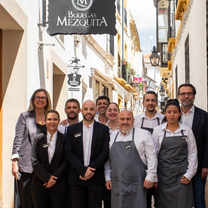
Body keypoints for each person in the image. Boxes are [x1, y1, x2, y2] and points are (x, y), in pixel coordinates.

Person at [105, 109, 157, 208]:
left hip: (138, 183)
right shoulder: (111, 137)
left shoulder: (144, 134)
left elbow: (151, 157)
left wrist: (151, 176)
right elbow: (108, 161)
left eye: (128, 119)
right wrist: (107, 177)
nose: (125, 122)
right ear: (118, 120)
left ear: (133, 120)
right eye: (122, 119)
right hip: (118, 183)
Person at [152, 99, 198, 208]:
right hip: (163, 177)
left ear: (179, 114)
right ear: (165, 113)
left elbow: (192, 154)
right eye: (169, 112)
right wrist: (154, 176)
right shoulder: (158, 131)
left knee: (182, 204)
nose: (172, 115)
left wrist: (189, 174)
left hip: (182, 177)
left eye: (175, 112)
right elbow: (153, 155)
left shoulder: (187, 131)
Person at [11, 88, 52, 208]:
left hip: (45, 167)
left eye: (43, 97)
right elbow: (17, 139)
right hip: (26, 165)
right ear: (33, 100)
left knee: (42, 200)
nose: (40, 100)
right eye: (37, 97)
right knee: (26, 199)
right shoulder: (25, 116)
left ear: (47, 100)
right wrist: (14, 161)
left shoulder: (50, 117)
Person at [65, 100, 110, 208]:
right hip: (76, 178)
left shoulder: (104, 129)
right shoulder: (71, 129)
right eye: (86, 109)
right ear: (81, 111)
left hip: (95, 177)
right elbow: (68, 152)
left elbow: (105, 152)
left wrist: (90, 170)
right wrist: (82, 170)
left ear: (96, 111)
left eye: (91, 109)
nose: (88, 112)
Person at [177, 83, 208, 208]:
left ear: (194, 96)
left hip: (199, 165)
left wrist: (205, 166)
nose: (186, 96)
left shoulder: (204, 116)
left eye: (189, 93)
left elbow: (207, 141)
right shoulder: (173, 115)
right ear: (179, 96)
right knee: (179, 198)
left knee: (198, 197)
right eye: (183, 94)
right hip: (177, 165)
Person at [31, 110, 68, 208]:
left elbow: (66, 161)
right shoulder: (37, 139)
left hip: (59, 184)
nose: (52, 122)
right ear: (45, 121)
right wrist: (47, 178)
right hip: (40, 184)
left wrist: (53, 178)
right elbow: (34, 160)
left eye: (55, 119)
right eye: (49, 119)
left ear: (59, 121)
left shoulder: (64, 139)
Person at [134, 91, 164, 208]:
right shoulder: (136, 119)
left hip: (161, 164)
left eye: (153, 100)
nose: (150, 103)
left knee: (160, 199)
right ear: (143, 103)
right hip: (142, 164)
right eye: (148, 100)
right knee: (143, 199)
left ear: (156, 102)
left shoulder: (163, 119)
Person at [102, 102, 120, 208]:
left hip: (122, 171)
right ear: (106, 113)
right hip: (107, 171)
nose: (112, 112)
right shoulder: (102, 129)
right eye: (110, 110)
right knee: (108, 202)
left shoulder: (124, 128)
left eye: (115, 110)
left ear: (118, 112)